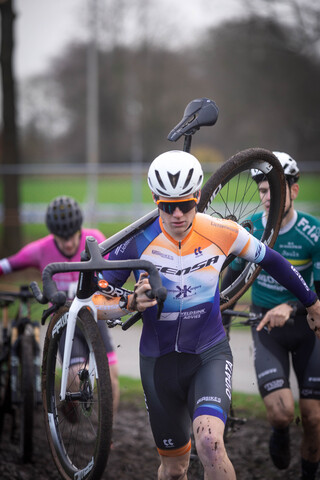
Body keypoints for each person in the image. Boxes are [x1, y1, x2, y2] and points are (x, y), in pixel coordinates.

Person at [91, 150, 320, 480]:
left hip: (208, 353)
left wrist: (311, 304)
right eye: (168, 207)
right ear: (156, 200)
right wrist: (128, 302)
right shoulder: (137, 241)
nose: (178, 214)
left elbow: (271, 260)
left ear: (199, 195)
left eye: (186, 204)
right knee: (174, 470)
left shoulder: (221, 230)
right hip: (158, 363)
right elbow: (95, 299)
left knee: (211, 442)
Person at [223, 152, 320, 480]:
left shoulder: (313, 232)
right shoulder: (250, 231)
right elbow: (228, 282)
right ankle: (279, 431)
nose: (267, 198)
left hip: (309, 326)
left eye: (274, 190)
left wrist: (292, 307)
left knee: (313, 417)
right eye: (262, 191)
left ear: (292, 190)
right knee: (281, 413)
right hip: (265, 325)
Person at [0, 195, 120, 418]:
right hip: (65, 324)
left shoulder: (95, 239)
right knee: (76, 376)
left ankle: (108, 437)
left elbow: (119, 264)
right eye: (61, 236)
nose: (68, 242)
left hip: (95, 316)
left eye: (72, 234)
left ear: (79, 229)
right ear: (53, 233)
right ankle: (70, 405)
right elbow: (7, 265)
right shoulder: (40, 250)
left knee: (111, 378)